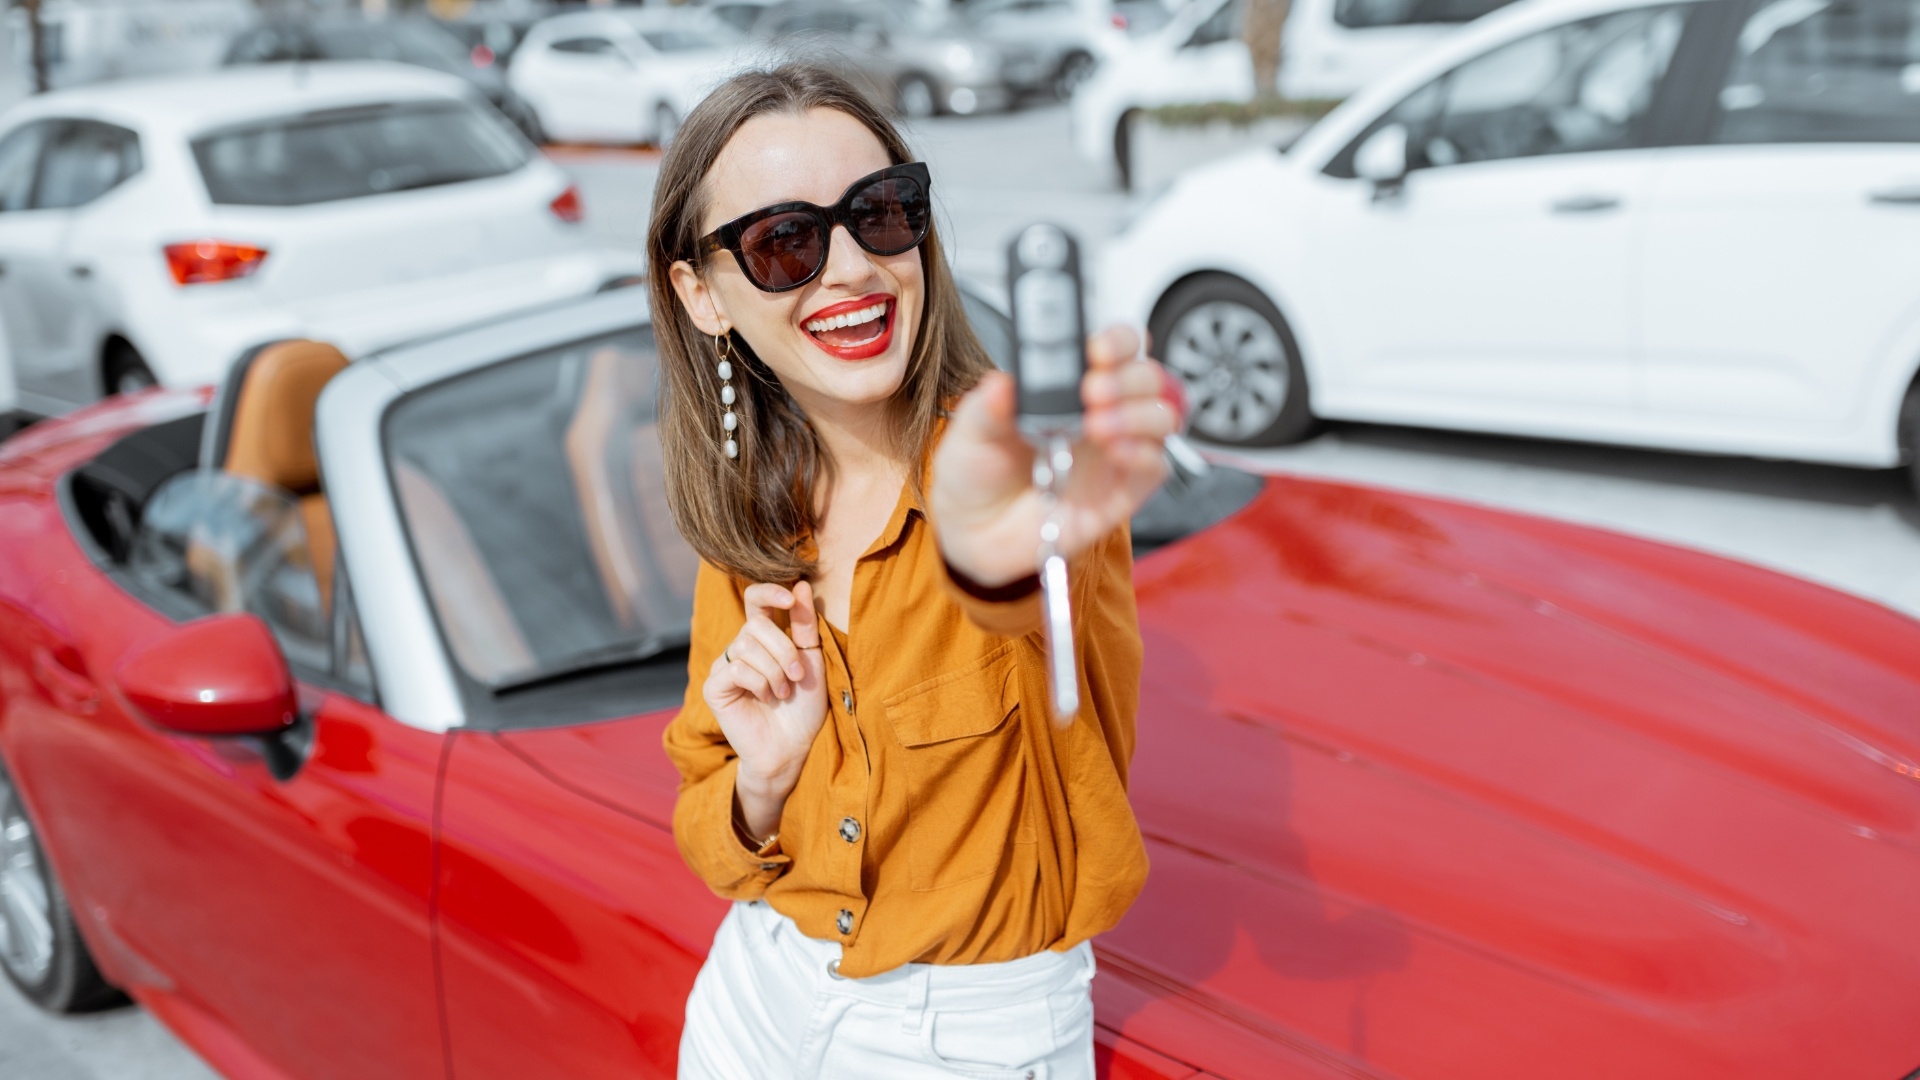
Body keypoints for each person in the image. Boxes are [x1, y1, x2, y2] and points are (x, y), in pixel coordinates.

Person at [650, 64, 1178, 1079]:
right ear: (703, 293)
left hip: (967, 1038)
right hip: (755, 992)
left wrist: (986, 549)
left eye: (882, 213)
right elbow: (706, 825)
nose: (850, 265)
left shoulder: (1017, 482)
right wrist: (761, 780)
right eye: (784, 242)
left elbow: (1022, 580)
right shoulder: (753, 513)